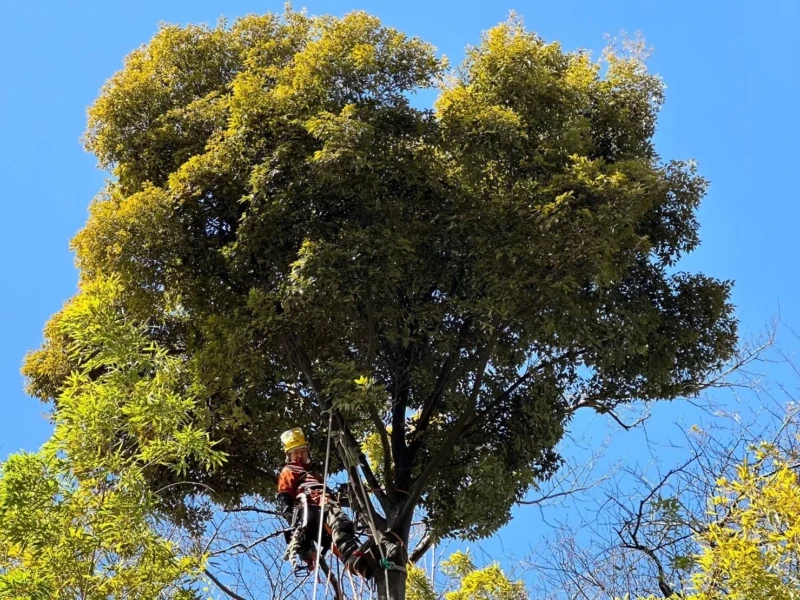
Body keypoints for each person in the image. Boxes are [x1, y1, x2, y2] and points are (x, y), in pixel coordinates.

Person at [276, 428, 372, 578]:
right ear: (289, 456)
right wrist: (291, 519)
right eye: (296, 452)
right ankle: (353, 557)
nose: (300, 455)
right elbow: (284, 494)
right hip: (315, 506)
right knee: (342, 524)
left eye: (302, 451)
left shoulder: (313, 476)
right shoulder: (289, 470)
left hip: (316, 511)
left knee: (332, 539)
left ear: (308, 451)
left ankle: (361, 566)